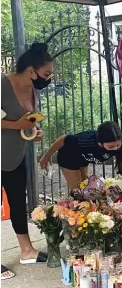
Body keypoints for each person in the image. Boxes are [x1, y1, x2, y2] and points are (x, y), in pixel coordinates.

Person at [1, 43, 53, 280]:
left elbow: (27, 121)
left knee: (17, 202)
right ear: (31, 70)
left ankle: (27, 250)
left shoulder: (33, 89)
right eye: (46, 74)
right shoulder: (2, 84)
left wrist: (35, 131)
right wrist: (17, 125)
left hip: (15, 155)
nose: (48, 79)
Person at [39, 121, 122, 189]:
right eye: (111, 146)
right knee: (78, 190)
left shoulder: (118, 147)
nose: (115, 149)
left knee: (87, 188)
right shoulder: (86, 140)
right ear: (100, 143)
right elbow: (63, 139)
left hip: (83, 158)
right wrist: (46, 157)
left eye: (117, 145)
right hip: (69, 155)